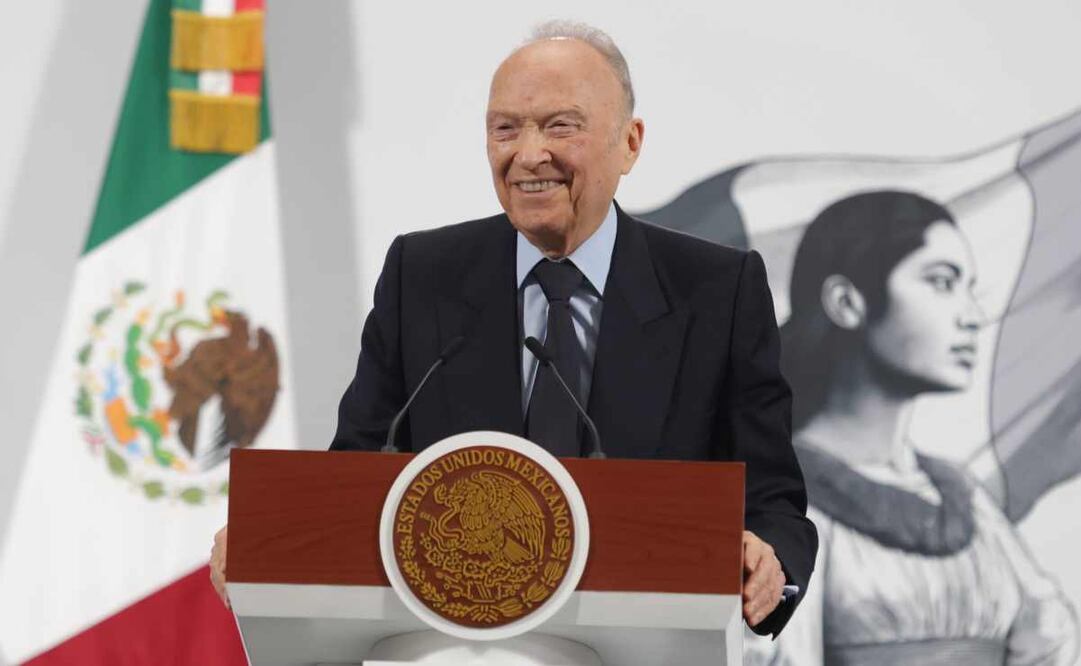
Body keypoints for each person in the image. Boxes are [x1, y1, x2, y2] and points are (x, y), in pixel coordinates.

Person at [211, 20, 817, 637]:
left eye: (561, 125)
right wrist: (272, 539)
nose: (529, 154)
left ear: (630, 143)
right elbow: (358, 474)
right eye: (505, 128)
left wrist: (768, 556)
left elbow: (773, 502)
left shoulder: (717, 289)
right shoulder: (422, 276)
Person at [745, 191, 1078, 664]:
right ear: (847, 302)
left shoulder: (963, 499)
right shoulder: (780, 497)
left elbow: (1049, 638)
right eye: (942, 282)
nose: (972, 317)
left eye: (969, 288)